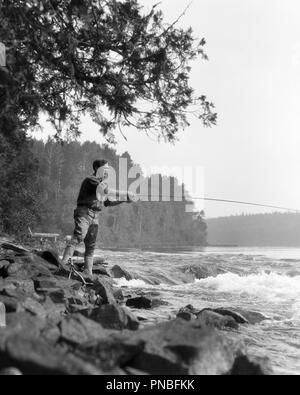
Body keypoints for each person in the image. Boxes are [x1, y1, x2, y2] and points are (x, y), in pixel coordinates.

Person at [61, 159, 135, 277]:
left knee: (91, 246)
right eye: (105, 169)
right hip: (84, 212)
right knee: (78, 237)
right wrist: (125, 193)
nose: (107, 171)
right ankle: (63, 265)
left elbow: (108, 202)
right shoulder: (91, 180)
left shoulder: (101, 183)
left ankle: (88, 273)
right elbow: (107, 191)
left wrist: (125, 200)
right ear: (96, 169)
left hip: (95, 216)